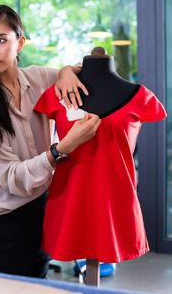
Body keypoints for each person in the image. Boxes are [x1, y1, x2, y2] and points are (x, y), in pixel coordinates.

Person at [0, 3, 101, 277]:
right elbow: (13, 179)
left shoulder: (39, 79)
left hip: (42, 209)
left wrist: (64, 71)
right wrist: (63, 148)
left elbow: (82, 71)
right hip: (4, 224)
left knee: (40, 284)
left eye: (1, 40)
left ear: (20, 43)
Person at [34, 47, 167, 286]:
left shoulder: (139, 96)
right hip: (69, 198)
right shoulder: (58, 94)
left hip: (114, 200)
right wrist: (66, 69)